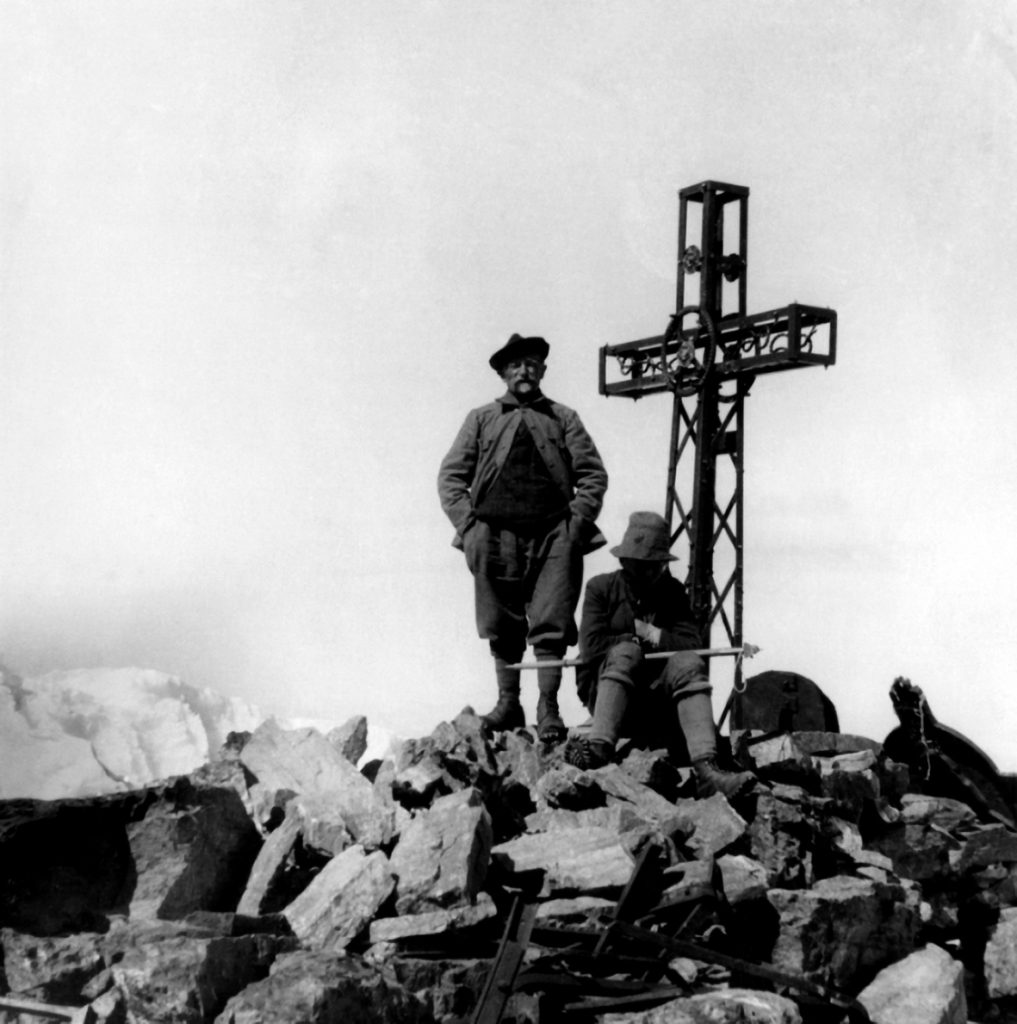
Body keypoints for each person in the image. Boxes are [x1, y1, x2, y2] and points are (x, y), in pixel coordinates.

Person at [438, 333, 608, 742]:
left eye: (531, 364)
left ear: (543, 370)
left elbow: (592, 475)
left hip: (554, 538)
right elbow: (451, 477)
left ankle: (548, 707)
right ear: (502, 373)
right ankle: (508, 703)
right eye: (515, 365)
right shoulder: (481, 418)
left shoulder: (563, 418)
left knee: (552, 621)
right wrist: (469, 527)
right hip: (493, 537)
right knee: (500, 622)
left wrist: (575, 525)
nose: (524, 371)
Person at [565, 510, 755, 799]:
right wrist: (630, 640)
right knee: (626, 652)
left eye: (653, 566)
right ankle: (599, 753)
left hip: (659, 706)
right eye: (639, 565)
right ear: (624, 561)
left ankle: (707, 771)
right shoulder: (600, 589)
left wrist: (650, 633)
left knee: (688, 662)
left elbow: (691, 644)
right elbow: (591, 647)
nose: (647, 573)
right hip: (612, 700)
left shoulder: (672, 593)